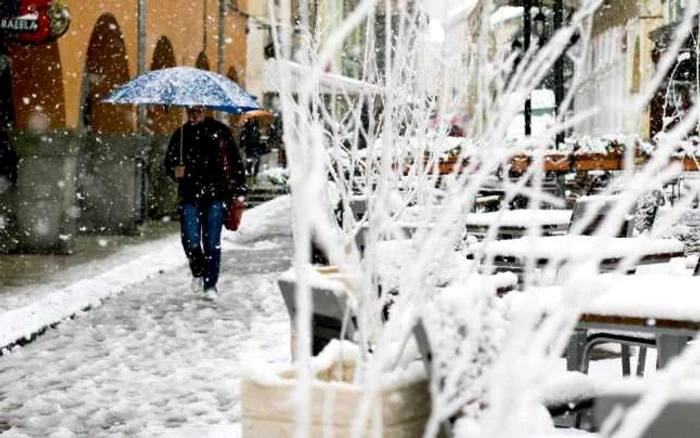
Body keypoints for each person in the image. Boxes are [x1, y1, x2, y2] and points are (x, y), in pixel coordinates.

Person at [164, 106, 246, 300]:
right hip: (189, 195)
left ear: (205, 110)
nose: (195, 114)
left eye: (199, 110)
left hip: (216, 195)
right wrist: (175, 170)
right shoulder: (181, 133)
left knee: (211, 242)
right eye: (191, 110)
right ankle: (198, 270)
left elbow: (235, 160)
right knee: (191, 240)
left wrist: (240, 188)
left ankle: (210, 285)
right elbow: (169, 161)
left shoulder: (220, 131)